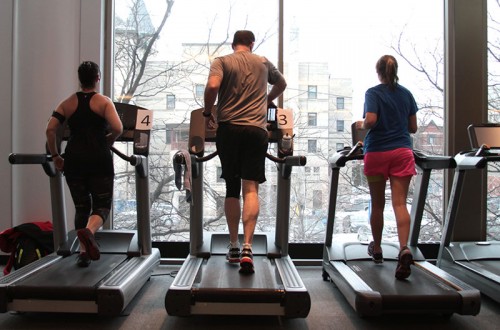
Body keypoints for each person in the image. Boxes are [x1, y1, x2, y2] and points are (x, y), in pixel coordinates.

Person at [203, 30, 287, 274]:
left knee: (232, 186)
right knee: (251, 188)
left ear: (233, 44)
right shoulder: (262, 61)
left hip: (229, 129)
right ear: (252, 44)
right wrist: (267, 100)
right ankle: (248, 248)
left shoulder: (222, 61)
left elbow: (212, 86)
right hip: (256, 130)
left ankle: (233, 245)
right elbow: (282, 83)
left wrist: (208, 113)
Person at [46, 61, 123, 267]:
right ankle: (89, 232)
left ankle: (83, 253)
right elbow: (118, 127)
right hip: (99, 158)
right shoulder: (104, 102)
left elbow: (50, 130)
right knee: (102, 206)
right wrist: (108, 141)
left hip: (74, 159)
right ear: (97, 78)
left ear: (80, 79)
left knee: (81, 207)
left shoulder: (67, 103)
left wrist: (56, 156)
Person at [356, 55, 418, 280]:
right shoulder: (407, 94)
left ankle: (378, 248)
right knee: (400, 203)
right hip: (402, 153)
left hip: (377, 154)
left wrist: (362, 125)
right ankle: (404, 248)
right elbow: (413, 127)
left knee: (377, 204)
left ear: (378, 71)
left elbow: (370, 120)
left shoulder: (373, 93)